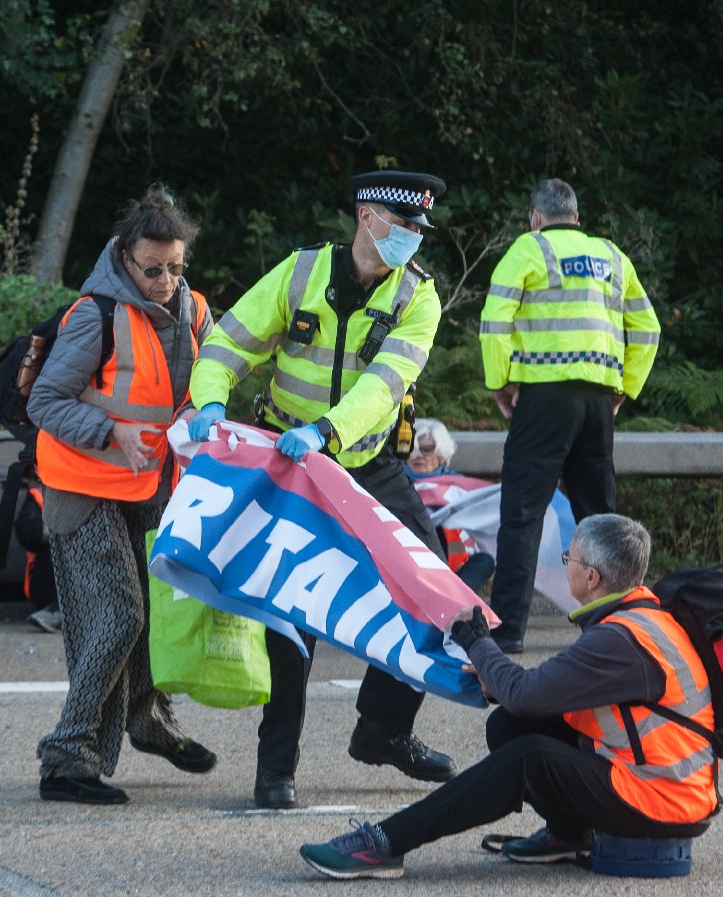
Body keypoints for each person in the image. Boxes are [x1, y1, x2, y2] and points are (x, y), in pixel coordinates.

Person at [187, 169, 456, 810]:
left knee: (432, 591)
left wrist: (329, 432)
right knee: (292, 612)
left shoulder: (418, 297)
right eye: (407, 225)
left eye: (422, 229)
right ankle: (276, 768)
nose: (415, 238)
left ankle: (384, 730)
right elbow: (229, 342)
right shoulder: (301, 272)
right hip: (290, 458)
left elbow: (385, 386)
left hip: (362, 460)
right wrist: (208, 402)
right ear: (369, 216)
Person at [300, 514, 718, 880]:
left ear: (593, 578)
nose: (565, 565)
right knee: (511, 725)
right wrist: (498, 681)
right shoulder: (640, 621)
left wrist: (476, 641)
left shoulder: (622, 639)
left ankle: (385, 842)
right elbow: (538, 695)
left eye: (568, 559)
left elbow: (525, 693)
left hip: (665, 800)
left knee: (528, 755)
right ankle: (570, 835)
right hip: (665, 784)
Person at [29, 186, 216, 805]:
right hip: (82, 488)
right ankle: (66, 757)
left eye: (175, 267)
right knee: (118, 618)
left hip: (152, 487)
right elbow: (45, 402)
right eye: (152, 269)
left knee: (155, 617)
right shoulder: (93, 314)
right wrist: (112, 431)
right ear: (124, 259)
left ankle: (147, 720)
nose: (165, 280)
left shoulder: (194, 312)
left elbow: (202, 391)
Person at [480, 178, 661, 654]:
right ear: (577, 218)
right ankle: (618, 628)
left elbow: (495, 320)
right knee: (600, 517)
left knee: (522, 515)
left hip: (542, 399)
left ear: (536, 216)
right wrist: (625, 386)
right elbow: (648, 327)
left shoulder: (529, 249)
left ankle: (509, 632)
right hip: (598, 402)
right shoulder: (612, 256)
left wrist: (500, 382)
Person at [403, 417, 494, 593]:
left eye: (426, 449)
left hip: (452, 568)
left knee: (485, 560)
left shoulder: (459, 488)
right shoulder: (392, 482)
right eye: (411, 449)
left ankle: (458, 607)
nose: (418, 455)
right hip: (408, 564)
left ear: (442, 455)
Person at [16, 480, 61, 633]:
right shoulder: (38, 496)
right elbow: (28, 535)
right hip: (45, 588)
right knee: (58, 544)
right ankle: (56, 611)